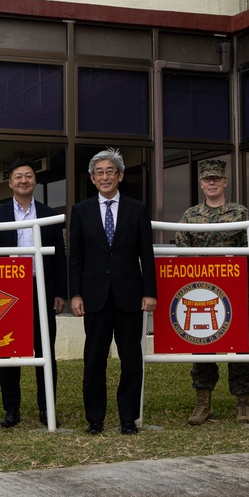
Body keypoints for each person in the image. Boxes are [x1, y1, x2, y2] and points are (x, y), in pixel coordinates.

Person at [69, 148, 156, 435]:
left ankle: (128, 418)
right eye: (99, 172)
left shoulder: (137, 208)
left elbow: (147, 253)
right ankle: (95, 419)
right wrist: (76, 294)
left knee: (131, 359)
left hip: (130, 295)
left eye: (110, 171)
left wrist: (149, 292)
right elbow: (76, 257)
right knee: (94, 360)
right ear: (93, 179)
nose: (104, 177)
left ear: (119, 175)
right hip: (94, 297)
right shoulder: (80, 211)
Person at [0, 158, 68, 428]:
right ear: (10, 183)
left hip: (41, 288)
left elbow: (60, 256)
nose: (23, 180)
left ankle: (47, 409)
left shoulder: (49, 214)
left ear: (35, 181)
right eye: (18, 176)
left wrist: (60, 293)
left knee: (45, 351)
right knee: (8, 353)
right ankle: (11, 410)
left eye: (28, 176)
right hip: (6, 292)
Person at [176, 159, 249, 426]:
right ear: (201, 183)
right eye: (207, 179)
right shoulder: (190, 216)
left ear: (225, 182)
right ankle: (203, 403)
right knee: (201, 345)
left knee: (240, 348)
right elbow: (182, 253)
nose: (212, 183)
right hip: (201, 291)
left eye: (216, 179)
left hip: (236, 292)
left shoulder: (241, 213)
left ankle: (243, 403)